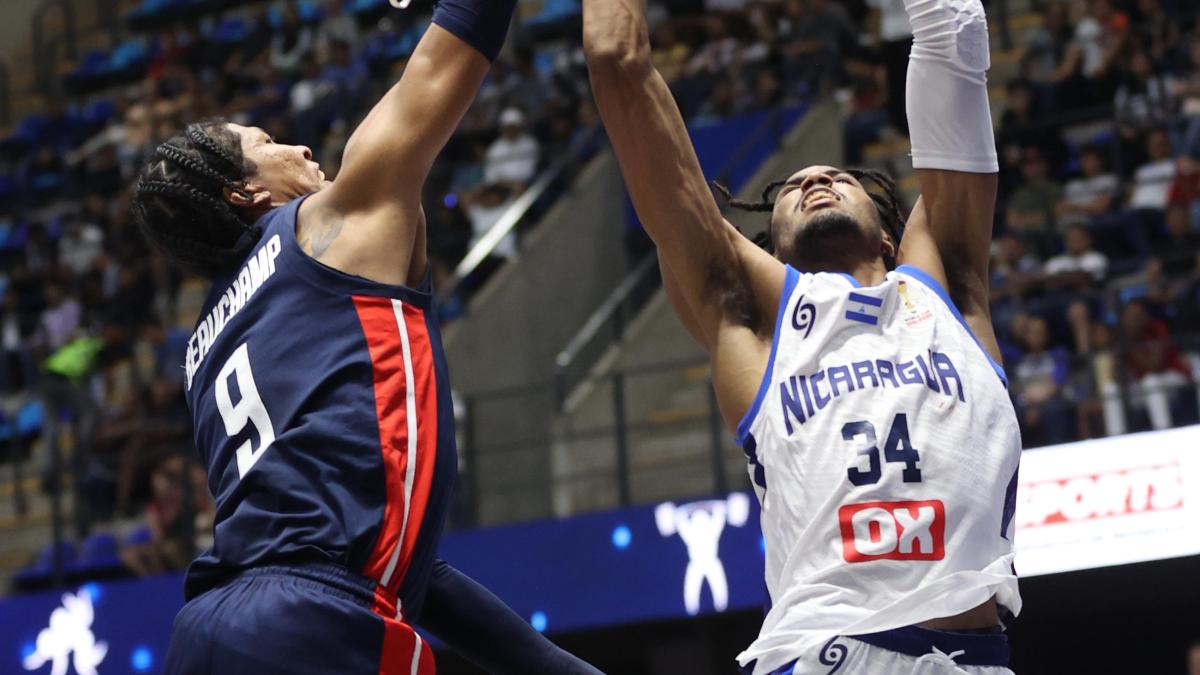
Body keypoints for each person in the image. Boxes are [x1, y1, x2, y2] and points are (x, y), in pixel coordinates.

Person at [131, 3, 600, 674]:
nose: (298, 148)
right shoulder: (335, 219)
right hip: (311, 619)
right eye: (268, 143)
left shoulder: (202, 348)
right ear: (244, 192)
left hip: (208, 630)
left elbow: (418, 575)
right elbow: (461, 40)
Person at [584, 0, 1020, 671]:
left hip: (971, 657)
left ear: (889, 235)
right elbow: (617, 61)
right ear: (777, 249)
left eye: (840, 176)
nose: (816, 177)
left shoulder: (948, 287)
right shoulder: (751, 317)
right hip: (824, 652)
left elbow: (955, 28)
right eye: (792, 187)